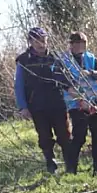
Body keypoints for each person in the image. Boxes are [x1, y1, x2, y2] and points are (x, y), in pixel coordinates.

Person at [14, 27, 70, 174]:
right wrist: (23, 107)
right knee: (44, 136)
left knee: (64, 133)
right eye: (37, 40)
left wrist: (74, 97)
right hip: (37, 104)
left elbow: (66, 79)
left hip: (57, 102)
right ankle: (51, 163)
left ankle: (70, 164)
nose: (41, 43)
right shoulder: (23, 60)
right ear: (30, 41)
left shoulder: (56, 57)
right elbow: (19, 85)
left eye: (43, 40)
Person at [57, 31, 97, 175]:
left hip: (94, 101)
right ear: (71, 45)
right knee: (80, 135)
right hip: (76, 102)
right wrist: (75, 93)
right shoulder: (63, 60)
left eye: (83, 43)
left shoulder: (91, 57)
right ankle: (71, 168)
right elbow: (59, 78)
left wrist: (91, 73)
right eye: (77, 43)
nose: (81, 46)